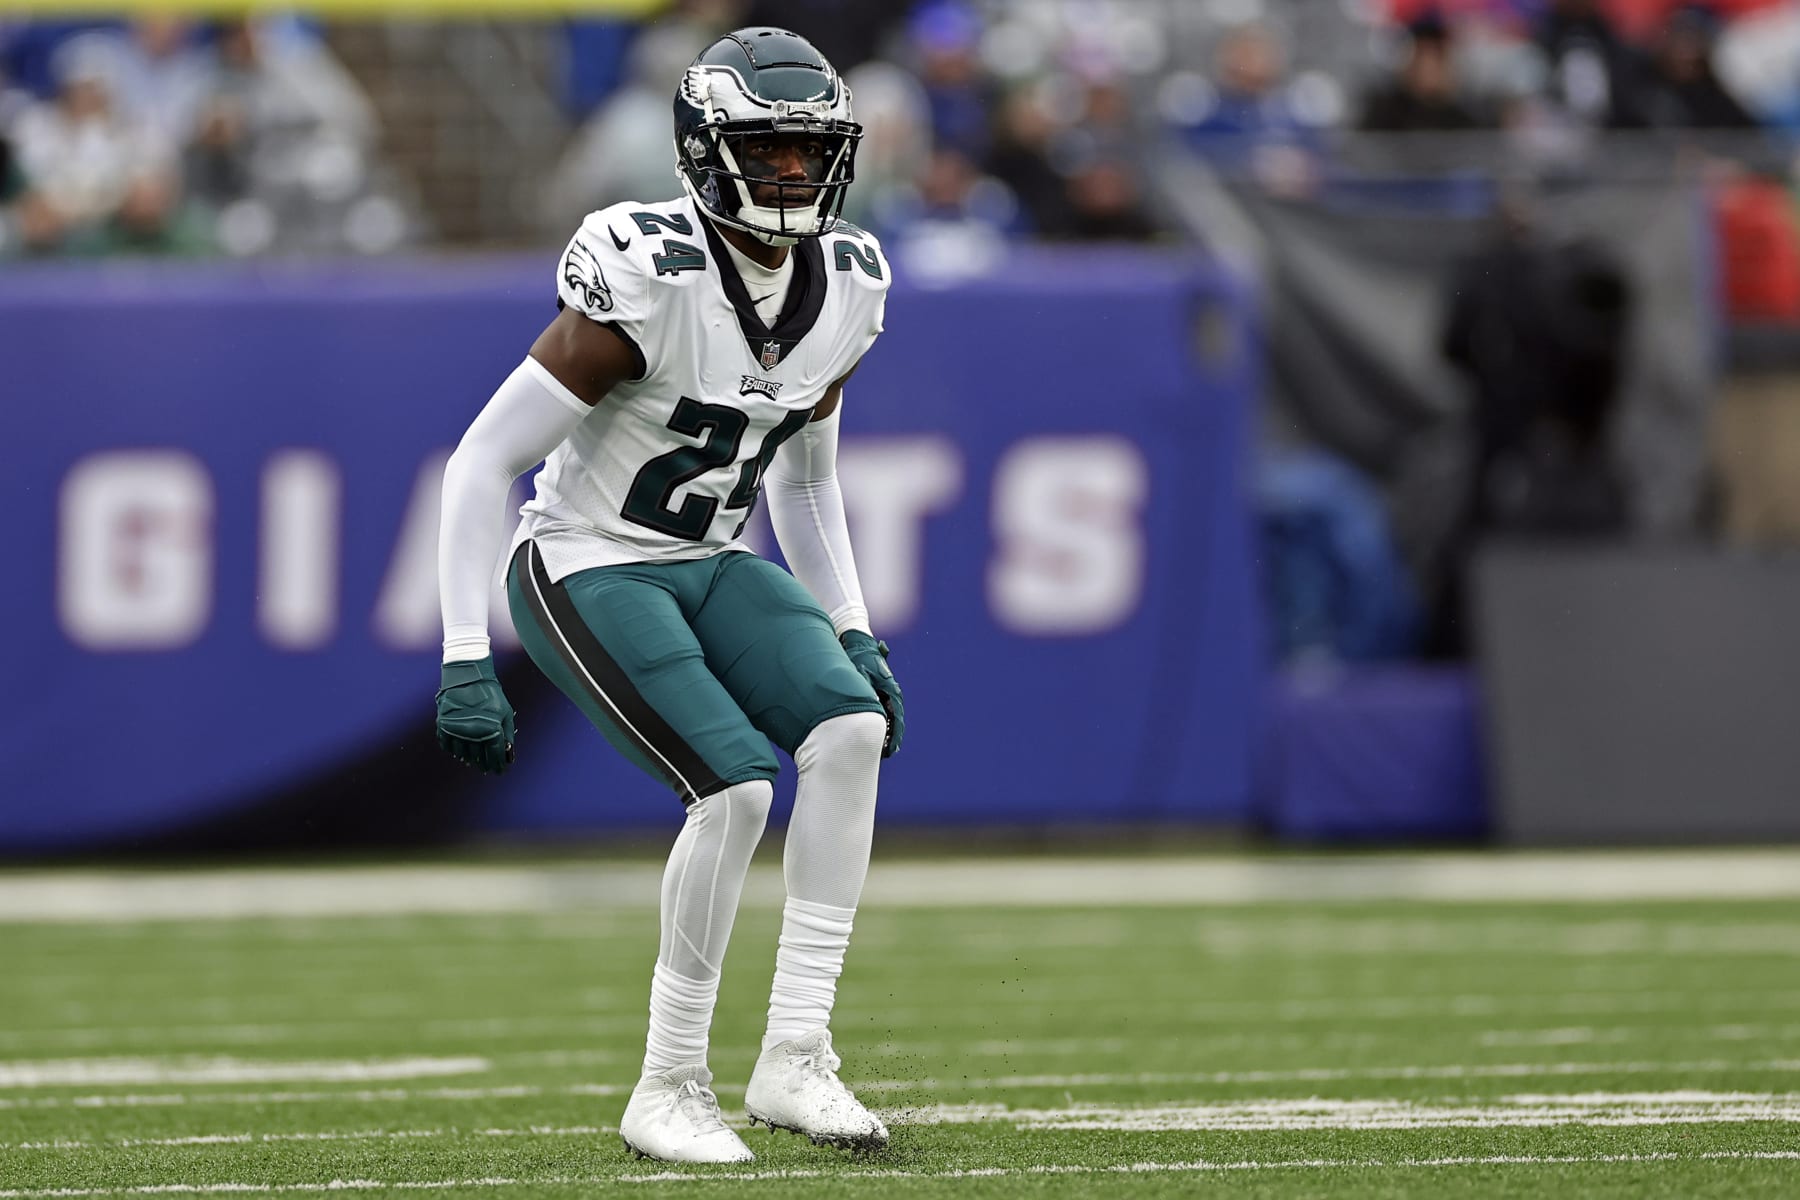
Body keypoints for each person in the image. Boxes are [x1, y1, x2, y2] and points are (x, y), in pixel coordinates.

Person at [432, 27, 903, 1165]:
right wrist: (462, 653)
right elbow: (478, 464)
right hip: (586, 556)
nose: (792, 175)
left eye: (807, 152)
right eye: (767, 151)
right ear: (703, 152)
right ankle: (668, 1082)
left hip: (705, 560)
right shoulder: (646, 271)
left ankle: (795, 1054)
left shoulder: (848, 283)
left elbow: (804, 475)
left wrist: (852, 624)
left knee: (850, 730)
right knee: (735, 789)